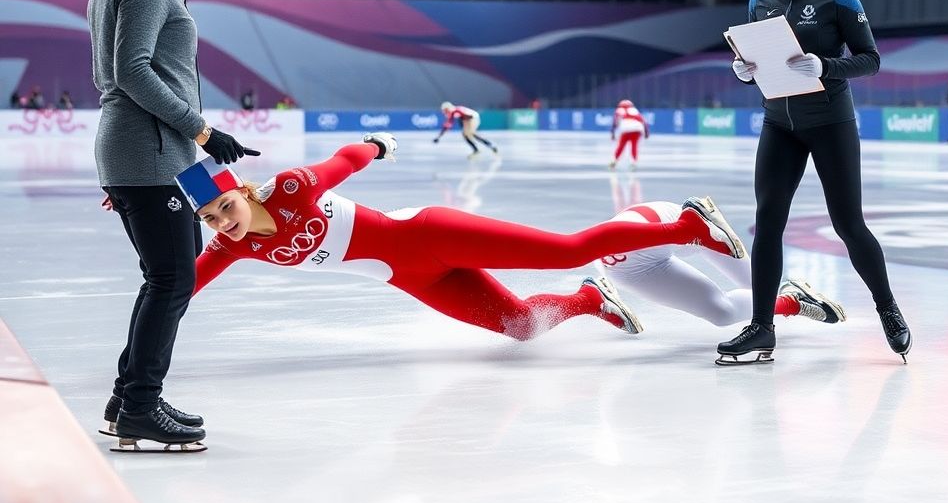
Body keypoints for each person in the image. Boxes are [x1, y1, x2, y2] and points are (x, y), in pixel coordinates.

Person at [176, 135, 748, 343]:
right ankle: (591, 299)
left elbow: (342, 161)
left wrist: (375, 145)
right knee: (523, 328)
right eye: (209, 218)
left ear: (244, 191)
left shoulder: (291, 189)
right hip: (412, 278)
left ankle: (687, 226)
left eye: (225, 206)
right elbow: (181, 286)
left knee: (568, 248)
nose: (222, 222)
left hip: (429, 235)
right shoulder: (230, 246)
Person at [77, 0, 261, 452]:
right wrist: (201, 129)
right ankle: (138, 406)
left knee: (168, 276)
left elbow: (114, 72)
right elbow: (131, 71)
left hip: (149, 152)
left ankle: (129, 400)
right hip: (151, 149)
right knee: (173, 278)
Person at [720, 0, 910, 364]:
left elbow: (870, 58)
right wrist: (745, 69)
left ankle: (887, 307)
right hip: (778, 123)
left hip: (830, 122)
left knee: (848, 225)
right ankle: (762, 328)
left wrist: (826, 66)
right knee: (768, 222)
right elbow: (759, 59)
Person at [595, 200, 846, 339]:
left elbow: (572, 251)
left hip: (662, 223)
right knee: (721, 314)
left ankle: (700, 222)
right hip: (629, 267)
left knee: (756, 284)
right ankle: (793, 301)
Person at [434, 101, 498, 157]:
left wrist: (465, 123)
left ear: (448, 108)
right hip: (466, 119)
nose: (445, 112)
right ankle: (477, 149)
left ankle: (489, 145)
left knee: (471, 133)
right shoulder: (453, 113)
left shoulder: (457, 110)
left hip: (473, 118)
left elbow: (469, 116)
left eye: (446, 110)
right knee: (465, 134)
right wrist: (439, 137)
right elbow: (447, 125)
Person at [609, 99, 649, 170]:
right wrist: (646, 133)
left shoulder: (619, 110)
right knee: (634, 145)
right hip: (637, 128)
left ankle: (614, 161)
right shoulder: (635, 110)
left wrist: (612, 133)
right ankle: (633, 162)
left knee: (621, 145)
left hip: (626, 128)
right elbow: (644, 122)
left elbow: (615, 122)